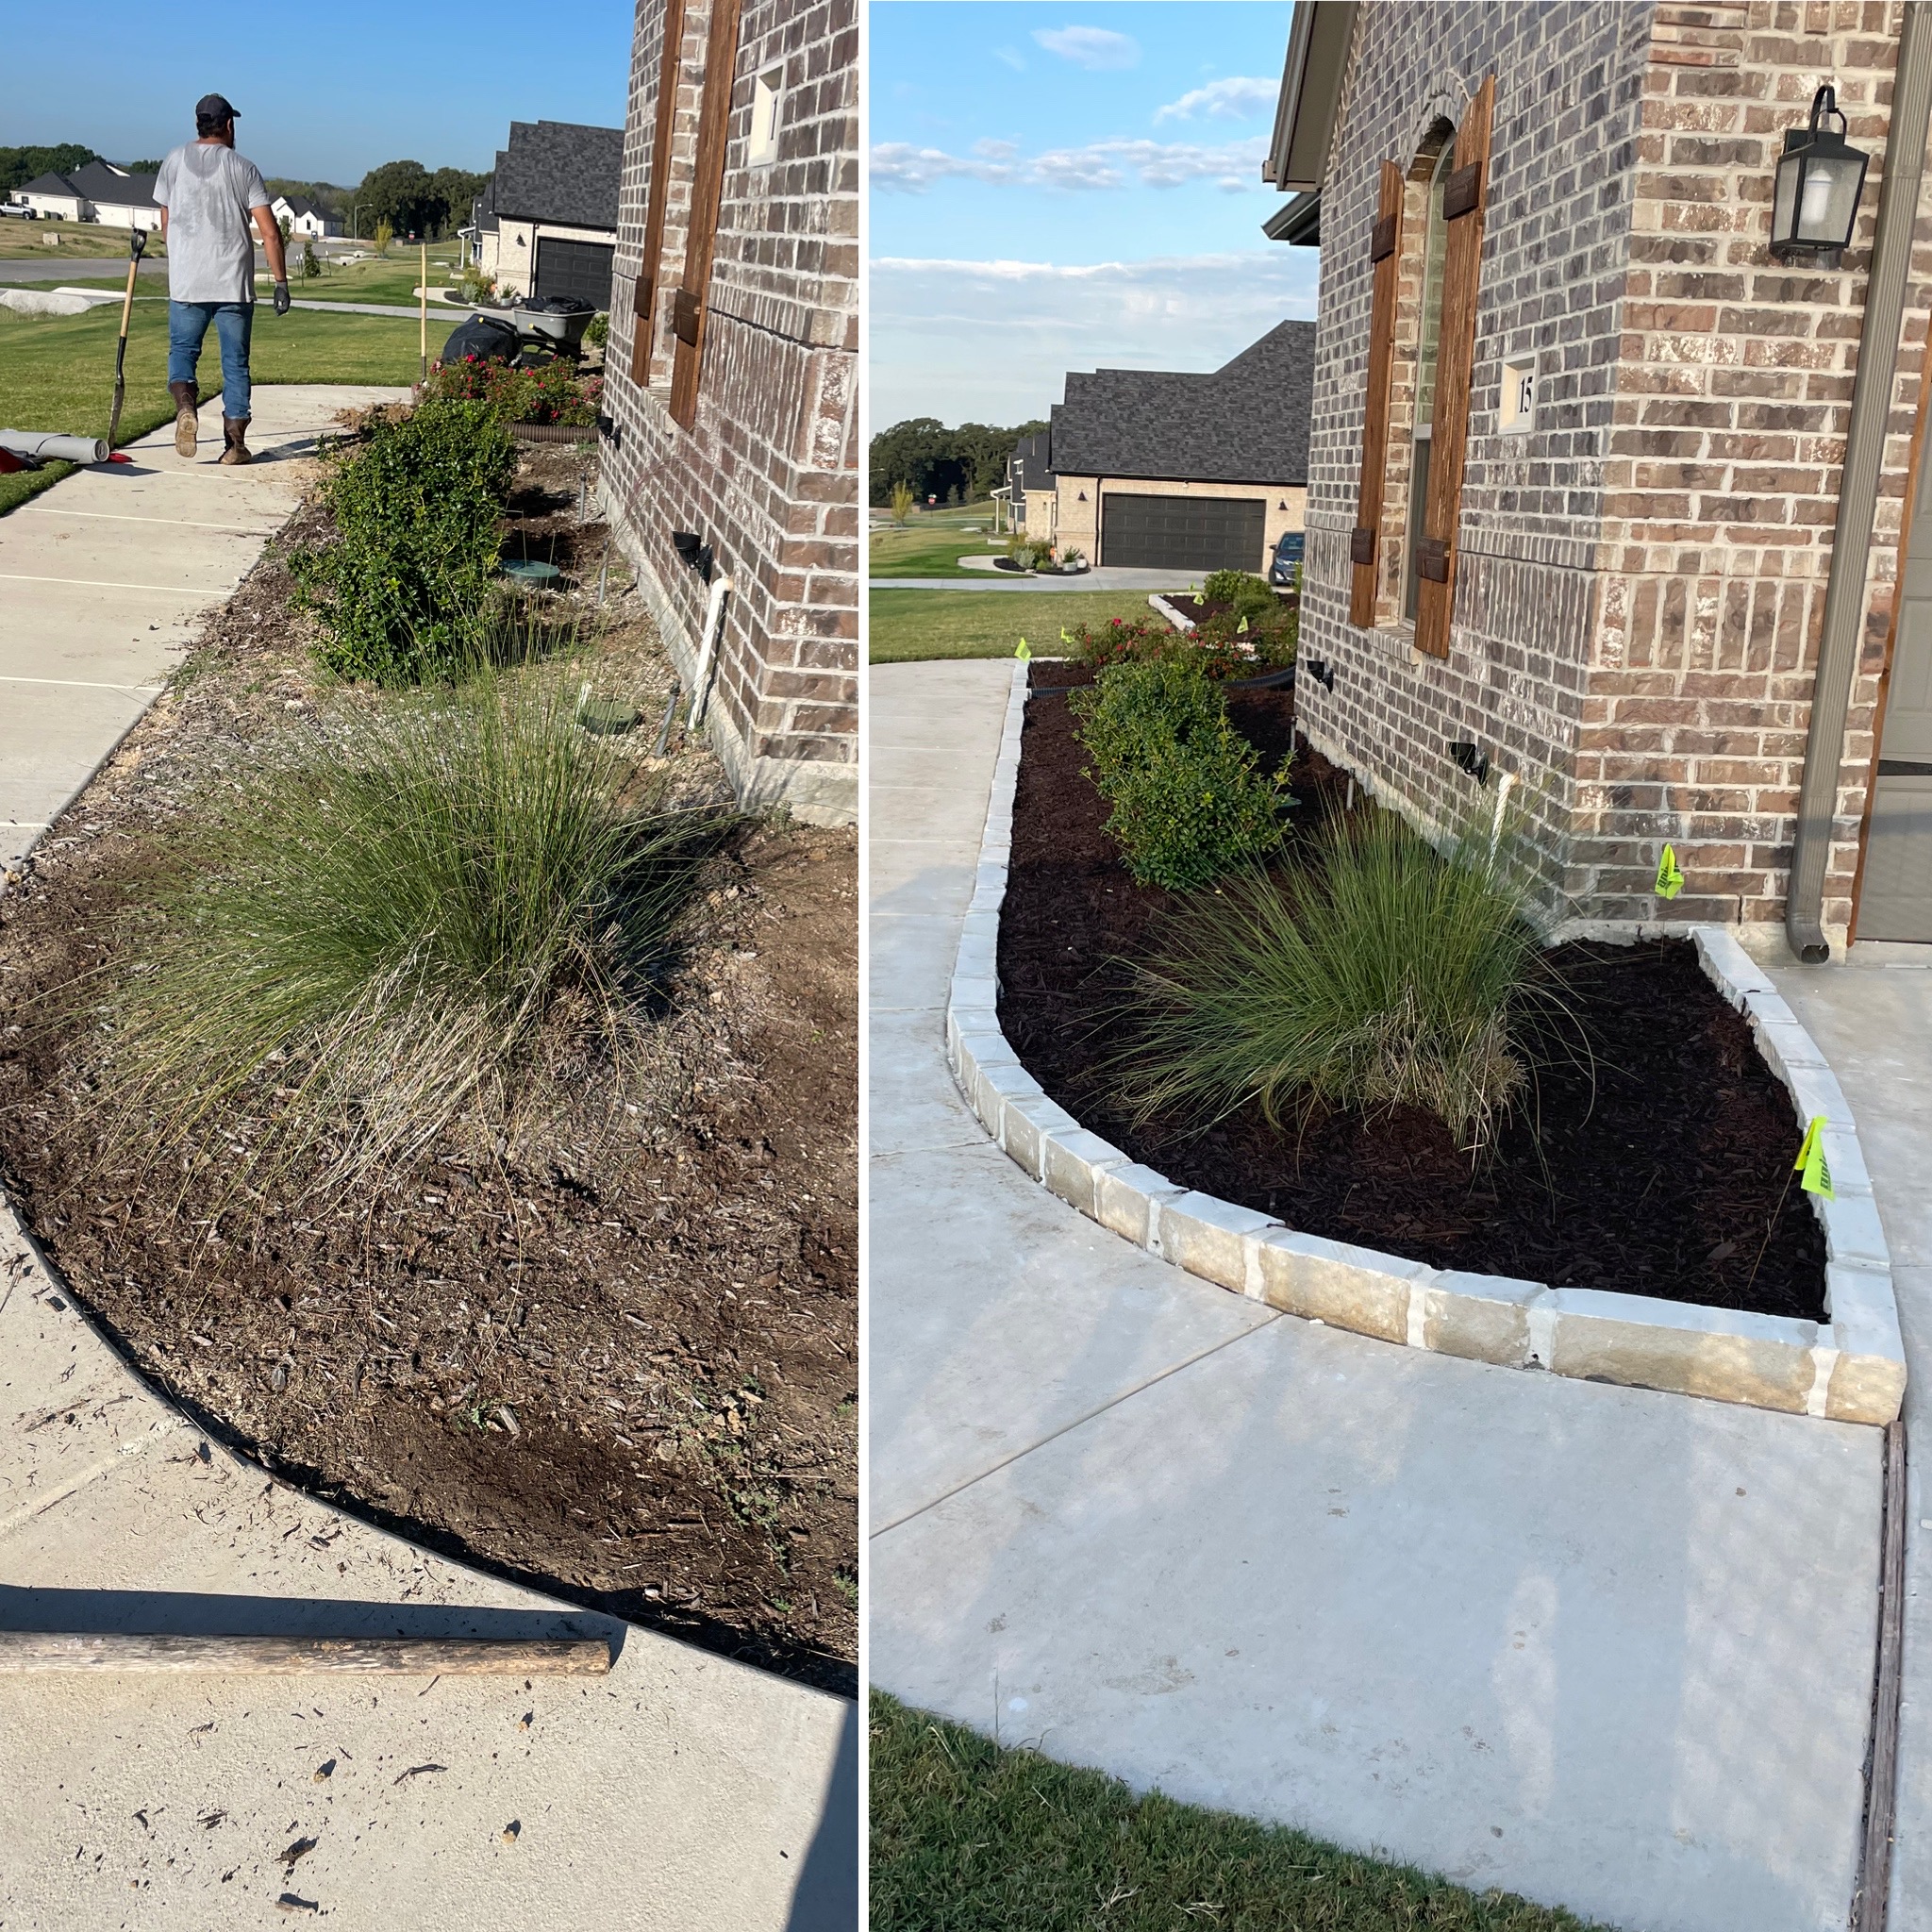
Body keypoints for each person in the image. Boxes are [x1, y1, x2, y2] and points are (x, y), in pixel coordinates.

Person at [153, 92, 290, 467]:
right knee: (235, 364)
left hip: (187, 283)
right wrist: (280, 282)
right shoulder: (243, 168)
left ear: (198, 124)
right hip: (233, 285)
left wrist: (181, 255)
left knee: (183, 353)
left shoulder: (173, 161)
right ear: (229, 125)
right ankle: (234, 446)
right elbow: (270, 231)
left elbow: (166, 220)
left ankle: (186, 408)